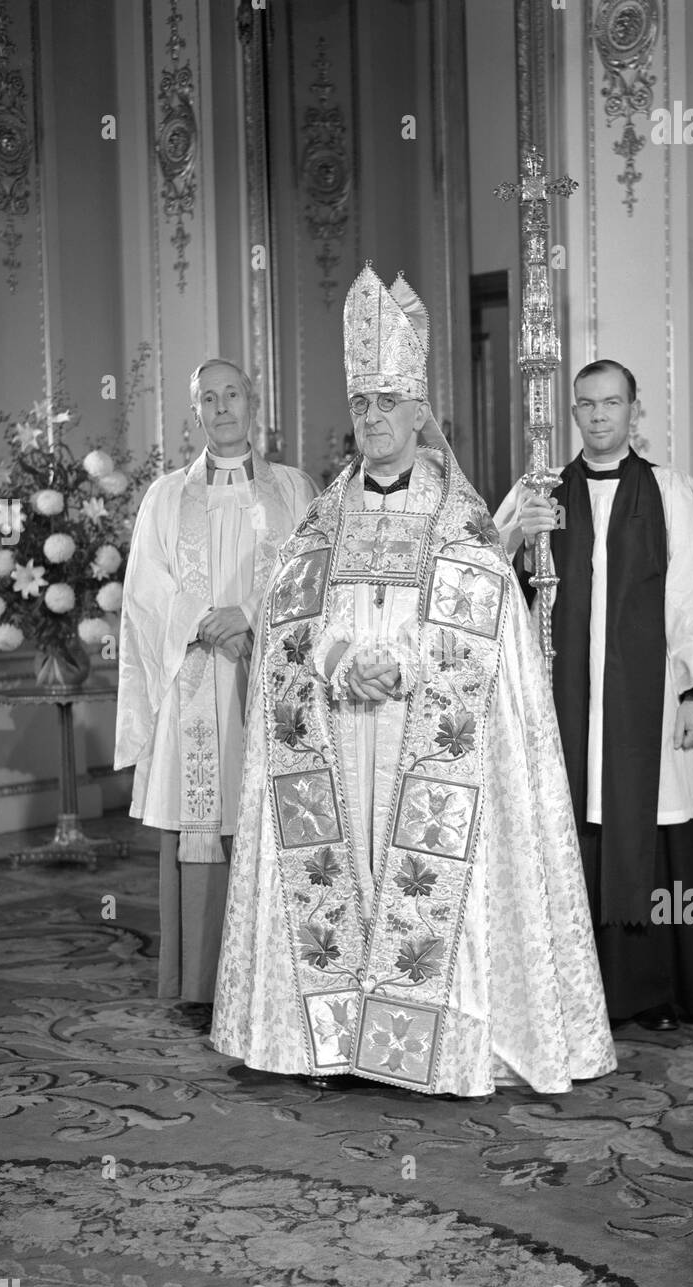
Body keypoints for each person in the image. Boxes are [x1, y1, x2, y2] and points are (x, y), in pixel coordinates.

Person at [209, 264, 616, 1096]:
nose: (373, 420)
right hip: (337, 728)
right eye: (361, 405)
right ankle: (330, 1042)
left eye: (388, 405)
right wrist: (337, 661)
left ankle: (424, 1051)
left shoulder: (458, 518)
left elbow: (487, 620)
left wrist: (406, 662)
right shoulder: (325, 514)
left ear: (419, 412)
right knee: (338, 877)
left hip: (422, 729)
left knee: (419, 878)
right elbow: (289, 622)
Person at [496, 360, 693, 1030]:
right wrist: (524, 534)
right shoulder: (539, 490)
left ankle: (654, 991)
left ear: (635, 411)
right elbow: (487, 587)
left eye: (613, 403)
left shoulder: (669, 491)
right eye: (587, 405)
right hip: (563, 704)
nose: (600, 416)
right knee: (573, 823)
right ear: (573, 413)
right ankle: (569, 990)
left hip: (650, 702)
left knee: (652, 826)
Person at [114, 359, 316, 1003]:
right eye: (209, 397)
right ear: (194, 412)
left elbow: (314, 581)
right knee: (203, 812)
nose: (223, 406)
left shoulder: (295, 490)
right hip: (194, 679)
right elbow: (145, 591)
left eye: (233, 394)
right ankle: (200, 982)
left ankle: (275, 981)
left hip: (270, 678)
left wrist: (251, 618)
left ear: (254, 403)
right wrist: (207, 622)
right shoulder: (166, 495)